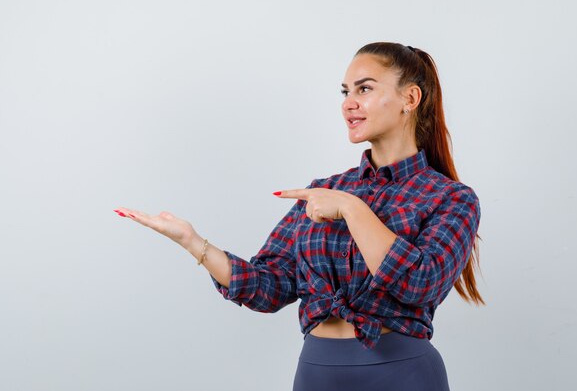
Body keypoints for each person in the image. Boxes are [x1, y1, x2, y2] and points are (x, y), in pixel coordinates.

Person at [114, 41, 483, 391]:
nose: (349, 104)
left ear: (410, 98)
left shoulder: (451, 199)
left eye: (364, 89)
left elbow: (419, 285)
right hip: (317, 373)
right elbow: (269, 287)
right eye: (345, 92)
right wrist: (193, 242)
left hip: (403, 373)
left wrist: (352, 208)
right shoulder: (323, 190)